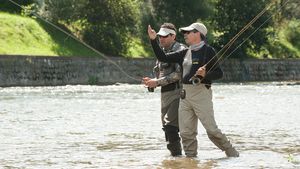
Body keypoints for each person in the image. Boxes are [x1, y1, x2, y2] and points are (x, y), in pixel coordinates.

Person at [147, 22, 239, 158]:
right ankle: (191, 162)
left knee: (212, 131)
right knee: (186, 133)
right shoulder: (184, 52)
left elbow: (219, 74)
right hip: (185, 95)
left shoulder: (208, 51)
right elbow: (163, 57)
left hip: (201, 93)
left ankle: (232, 155)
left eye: (188, 32)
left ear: (198, 34)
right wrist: (153, 40)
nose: (185, 35)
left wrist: (204, 75)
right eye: (184, 32)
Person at [142, 23, 186, 156]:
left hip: (178, 93)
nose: (161, 39)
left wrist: (157, 82)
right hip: (165, 95)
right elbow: (159, 73)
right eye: (160, 36)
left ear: (173, 36)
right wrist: (151, 84)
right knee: (167, 129)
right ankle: (177, 160)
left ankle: (178, 158)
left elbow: (179, 74)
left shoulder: (181, 49)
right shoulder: (161, 52)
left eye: (164, 36)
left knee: (170, 127)